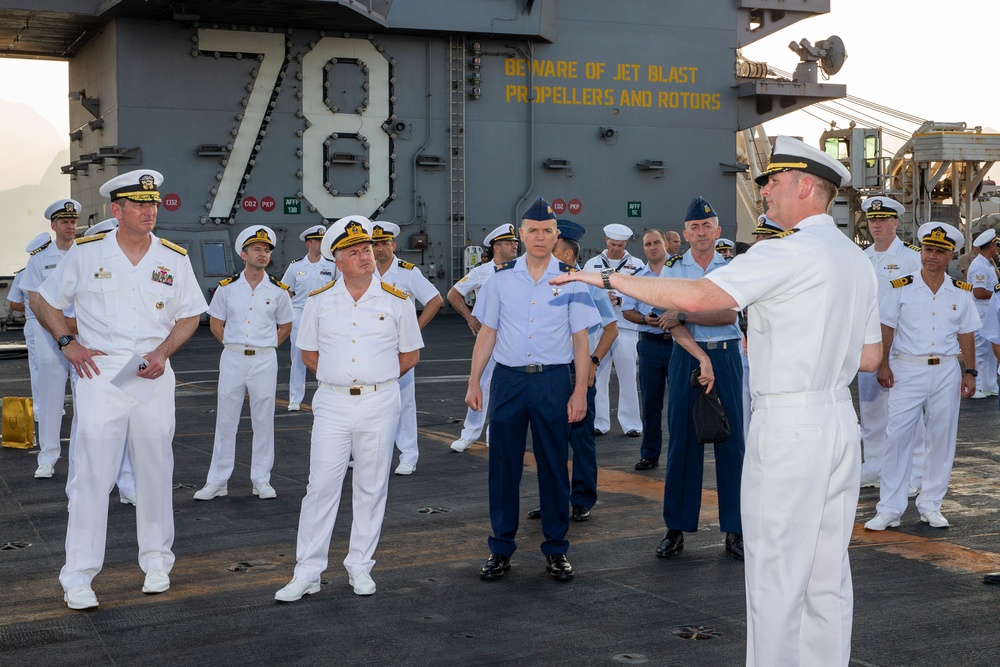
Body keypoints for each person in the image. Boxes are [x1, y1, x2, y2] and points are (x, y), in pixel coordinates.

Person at [551, 136, 880, 666]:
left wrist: (607, 277)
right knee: (826, 573)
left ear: (804, 187)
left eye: (773, 181)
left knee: (774, 574)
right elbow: (868, 356)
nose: (765, 191)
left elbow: (702, 297)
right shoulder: (854, 258)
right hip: (838, 421)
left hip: (791, 424)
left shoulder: (787, 250)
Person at [33, 169, 208, 610]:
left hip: (152, 373)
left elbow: (189, 315)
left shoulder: (173, 257)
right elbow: (43, 299)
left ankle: (156, 561)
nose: (151, 210)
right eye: (140, 204)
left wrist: (165, 352)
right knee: (93, 475)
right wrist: (67, 343)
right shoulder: (87, 253)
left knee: (155, 469)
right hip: (100, 372)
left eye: (154, 203)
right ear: (118, 210)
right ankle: (78, 575)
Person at [274, 215, 422, 601]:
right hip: (333, 404)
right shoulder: (320, 302)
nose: (365, 257)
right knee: (320, 486)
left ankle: (360, 565)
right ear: (336, 261)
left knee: (371, 487)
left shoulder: (396, 300)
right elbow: (309, 353)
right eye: (354, 252)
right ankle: (307, 571)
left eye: (368, 250)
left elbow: (410, 354)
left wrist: (379, 377)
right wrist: (342, 377)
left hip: (380, 401)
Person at [467, 196, 599, 582]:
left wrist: (578, 392)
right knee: (503, 467)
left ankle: (556, 550)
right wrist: (475, 381)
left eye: (547, 231)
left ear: (556, 235)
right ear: (521, 235)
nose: (540, 237)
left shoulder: (572, 279)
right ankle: (501, 548)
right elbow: (487, 332)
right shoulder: (500, 279)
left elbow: (580, 340)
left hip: (553, 381)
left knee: (555, 467)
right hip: (508, 380)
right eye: (533, 231)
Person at [864, 222, 979, 531]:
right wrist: (883, 364)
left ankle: (931, 505)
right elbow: (886, 327)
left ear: (951, 256)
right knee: (897, 437)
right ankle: (889, 508)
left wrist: (970, 371)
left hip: (945, 369)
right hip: (906, 368)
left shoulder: (961, 292)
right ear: (921, 252)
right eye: (928, 249)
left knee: (942, 438)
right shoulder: (900, 287)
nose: (932, 256)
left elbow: (967, 333)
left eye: (940, 252)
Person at [655, 196, 745, 561]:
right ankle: (675, 529)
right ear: (686, 234)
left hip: (726, 359)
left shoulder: (733, 268)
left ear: (718, 231)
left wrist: (686, 313)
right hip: (687, 359)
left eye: (708, 226)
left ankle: (736, 529)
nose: (702, 232)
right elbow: (669, 322)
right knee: (682, 443)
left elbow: (728, 316)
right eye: (694, 227)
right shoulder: (674, 269)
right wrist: (698, 348)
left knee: (732, 443)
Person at [193, 225, 294, 501]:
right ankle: (217, 480)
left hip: (264, 359)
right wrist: (232, 345)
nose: (263, 254)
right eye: (257, 249)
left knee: (264, 420)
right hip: (234, 357)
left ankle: (261, 479)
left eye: (266, 250)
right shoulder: (227, 289)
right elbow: (215, 323)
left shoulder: (278, 291)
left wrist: (269, 345)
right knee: (226, 419)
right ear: (243, 253)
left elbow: (285, 325)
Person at [526, 220, 618, 522]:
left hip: (577, 369)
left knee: (579, 438)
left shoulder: (588, 283)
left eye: (553, 246)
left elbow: (611, 329)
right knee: (548, 438)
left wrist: (592, 363)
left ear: (566, 253)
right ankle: (552, 498)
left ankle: (582, 498)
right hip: (548, 370)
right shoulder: (538, 280)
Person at [856, 197, 926, 492]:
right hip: (869, 343)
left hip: (902, 345)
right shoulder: (862, 257)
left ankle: (915, 473)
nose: (877, 225)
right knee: (871, 410)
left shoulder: (912, 257)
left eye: (883, 219)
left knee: (906, 411)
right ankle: (874, 466)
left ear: (896, 222)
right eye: (873, 220)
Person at [372, 220, 443, 475]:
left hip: (399, 348)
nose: (378, 249)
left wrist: (413, 330)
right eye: (374, 244)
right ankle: (366, 454)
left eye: (383, 243)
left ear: (393, 244)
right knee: (369, 402)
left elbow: (435, 300)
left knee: (403, 403)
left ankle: (408, 455)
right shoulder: (364, 271)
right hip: (370, 348)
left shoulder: (407, 272)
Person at [19, 199, 82, 479]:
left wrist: (73, 332)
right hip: (49, 335)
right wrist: (60, 333)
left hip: (82, 335)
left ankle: (83, 456)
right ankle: (47, 458)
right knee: (50, 395)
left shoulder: (87, 253)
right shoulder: (39, 259)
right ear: (53, 226)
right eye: (65, 222)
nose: (71, 226)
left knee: (86, 399)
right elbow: (34, 302)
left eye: (73, 221)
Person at [447, 223, 520, 452]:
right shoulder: (482, 272)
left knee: (511, 388)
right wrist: (470, 317)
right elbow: (453, 294)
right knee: (481, 385)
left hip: (515, 337)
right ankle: (469, 433)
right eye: (509, 243)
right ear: (496, 247)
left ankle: (496, 434)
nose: (515, 245)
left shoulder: (522, 269)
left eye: (515, 242)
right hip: (490, 336)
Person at [582, 223, 644, 436]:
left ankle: (632, 424)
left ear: (626, 243)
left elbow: (641, 292)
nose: (617, 248)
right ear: (606, 241)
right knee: (598, 375)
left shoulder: (636, 264)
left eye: (621, 244)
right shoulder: (592, 264)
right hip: (599, 327)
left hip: (626, 326)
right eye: (613, 244)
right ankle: (600, 422)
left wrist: (619, 299)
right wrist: (600, 298)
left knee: (628, 377)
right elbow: (584, 289)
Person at [621, 230, 673, 470]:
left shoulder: (678, 272)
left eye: (656, 243)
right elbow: (627, 311)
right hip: (650, 344)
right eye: (648, 244)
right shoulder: (637, 277)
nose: (653, 247)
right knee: (651, 402)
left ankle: (679, 452)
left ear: (665, 244)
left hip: (678, 344)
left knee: (680, 402)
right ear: (644, 249)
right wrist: (644, 319)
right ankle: (650, 453)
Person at [280, 224, 337, 411]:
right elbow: (286, 290)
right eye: (318, 240)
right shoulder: (296, 266)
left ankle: (325, 396)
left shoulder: (332, 266)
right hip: (300, 315)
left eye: (322, 240)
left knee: (326, 356)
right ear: (308, 243)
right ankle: (295, 399)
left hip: (325, 316)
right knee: (298, 358)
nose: (321, 243)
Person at [8, 232, 52, 434]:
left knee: (38, 368)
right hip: (58, 322)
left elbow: (14, 304)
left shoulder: (23, 274)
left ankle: (42, 410)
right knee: (58, 368)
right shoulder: (56, 268)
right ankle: (52, 408)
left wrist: (28, 306)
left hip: (35, 323)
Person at [966, 229, 1000, 398]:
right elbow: (979, 293)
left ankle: (989, 384)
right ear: (991, 246)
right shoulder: (979, 265)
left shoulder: (987, 263)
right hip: (980, 313)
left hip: (989, 314)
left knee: (990, 350)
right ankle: (976, 386)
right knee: (979, 351)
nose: (998, 249)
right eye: (996, 245)